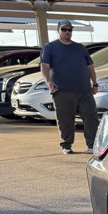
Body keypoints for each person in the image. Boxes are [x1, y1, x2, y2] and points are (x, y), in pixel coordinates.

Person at [40, 20, 99, 154]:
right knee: (65, 119)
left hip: (84, 90)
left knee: (91, 117)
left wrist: (94, 84)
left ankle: (92, 145)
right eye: (64, 29)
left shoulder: (80, 48)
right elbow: (44, 67)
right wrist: (48, 82)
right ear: (58, 30)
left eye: (69, 30)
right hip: (62, 91)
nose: (67, 32)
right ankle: (66, 145)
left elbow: (90, 67)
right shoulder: (50, 48)